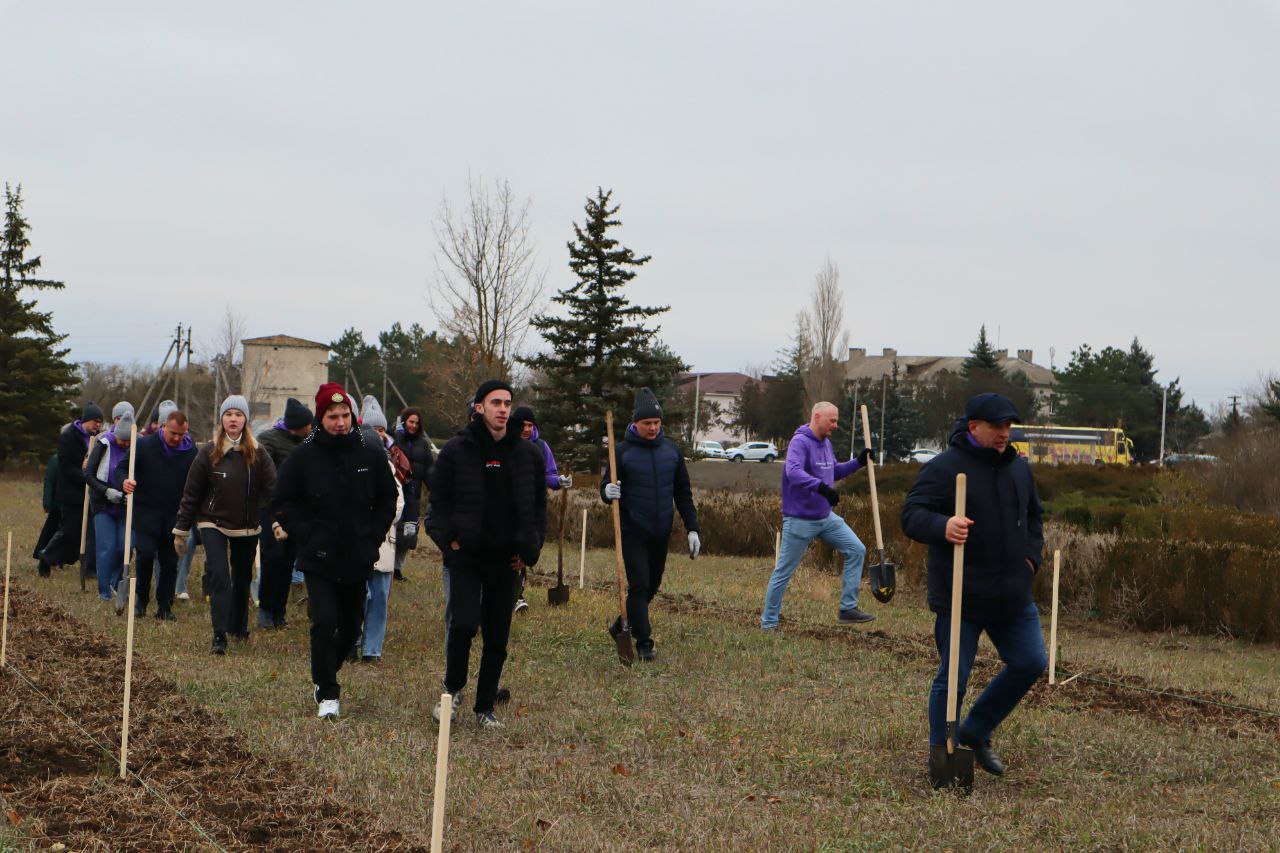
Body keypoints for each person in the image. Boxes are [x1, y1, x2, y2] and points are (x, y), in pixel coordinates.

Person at [901, 392, 1047, 778]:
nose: (1004, 433)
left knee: (1032, 662)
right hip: (960, 594)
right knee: (953, 678)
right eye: (997, 426)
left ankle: (977, 729)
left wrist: (1032, 559)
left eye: (1008, 426)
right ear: (973, 427)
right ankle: (943, 756)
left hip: (1012, 593)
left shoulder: (1019, 468)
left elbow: (1035, 518)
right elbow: (911, 514)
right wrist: (942, 525)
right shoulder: (946, 468)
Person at [271, 383, 397, 719]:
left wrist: (373, 535)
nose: (340, 422)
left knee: (352, 628)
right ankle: (327, 691)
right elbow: (282, 501)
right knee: (324, 622)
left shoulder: (370, 452)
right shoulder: (303, 456)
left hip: (358, 554)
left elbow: (387, 499)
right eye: (332, 416)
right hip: (318, 556)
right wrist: (307, 534)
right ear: (320, 418)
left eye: (345, 415)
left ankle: (327, 667)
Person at [426, 380, 546, 729]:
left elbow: (538, 508)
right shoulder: (456, 450)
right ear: (479, 407)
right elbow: (438, 504)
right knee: (463, 624)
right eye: (495, 402)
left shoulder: (527, 455)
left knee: (497, 635)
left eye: (507, 402)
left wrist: (530, 549)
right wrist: (451, 541)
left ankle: (484, 707)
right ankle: (451, 693)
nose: (503, 409)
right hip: (466, 558)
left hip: (506, 560)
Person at [599, 388, 700, 662]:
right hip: (633, 529)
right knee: (640, 585)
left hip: (660, 530)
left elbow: (683, 492)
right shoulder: (622, 452)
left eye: (657, 423)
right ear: (636, 423)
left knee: (652, 585)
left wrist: (692, 528)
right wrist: (608, 492)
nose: (653, 428)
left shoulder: (672, 452)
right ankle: (644, 642)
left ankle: (620, 625)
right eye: (648, 423)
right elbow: (605, 486)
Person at [174, 396, 277, 654]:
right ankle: (219, 635)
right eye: (228, 414)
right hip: (212, 522)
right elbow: (192, 493)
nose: (233, 419)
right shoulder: (208, 453)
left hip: (247, 525)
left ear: (245, 420)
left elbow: (274, 491)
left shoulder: (259, 453)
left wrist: (279, 520)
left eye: (238, 414)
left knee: (242, 578)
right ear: (222, 419)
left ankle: (238, 626)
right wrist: (181, 529)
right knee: (219, 576)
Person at [760, 402, 876, 630]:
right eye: (832, 420)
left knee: (856, 549)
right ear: (817, 417)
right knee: (784, 571)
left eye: (836, 420)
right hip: (799, 520)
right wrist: (822, 488)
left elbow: (834, 471)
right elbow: (793, 472)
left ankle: (847, 608)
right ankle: (769, 624)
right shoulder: (800, 442)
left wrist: (859, 462)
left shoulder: (826, 444)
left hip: (826, 518)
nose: (836, 425)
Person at [123, 409, 196, 619]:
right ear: (163, 426)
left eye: (181, 434)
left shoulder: (191, 453)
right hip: (146, 513)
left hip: (175, 515)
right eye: (173, 433)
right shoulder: (144, 445)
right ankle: (141, 602)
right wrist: (125, 481)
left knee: (169, 562)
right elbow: (122, 468)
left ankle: (164, 606)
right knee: (145, 555)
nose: (177, 438)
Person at [254, 397, 313, 629]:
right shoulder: (268, 440)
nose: (312, 427)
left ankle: (279, 613)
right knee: (273, 559)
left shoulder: (307, 442)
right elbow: (265, 474)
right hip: (269, 509)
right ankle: (266, 612)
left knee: (288, 561)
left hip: (296, 512)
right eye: (308, 424)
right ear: (297, 425)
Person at [355, 396, 406, 663]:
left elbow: (398, 502)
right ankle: (353, 639)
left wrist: (380, 521)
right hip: (355, 543)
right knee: (357, 596)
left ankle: (372, 648)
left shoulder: (390, 468)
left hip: (384, 542)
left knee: (379, 598)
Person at [507, 406, 570, 613]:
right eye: (523, 425)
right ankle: (514, 595)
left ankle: (517, 592)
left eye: (530, 425)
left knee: (525, 547)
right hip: (508, 503)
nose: (526, 429)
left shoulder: (542, 447)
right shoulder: (506, 444)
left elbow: (550, 474)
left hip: (532, 505)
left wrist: (560, 481)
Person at [48, 402, 104, 576]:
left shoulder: (96, 439)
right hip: (70, 493)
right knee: (70, 530)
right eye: (95, 421)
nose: (98, 425)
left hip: (88, 492)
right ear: (85, 420)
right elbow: (65, 466)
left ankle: (89, 567)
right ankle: (48, 555)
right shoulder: (68, 436)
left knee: (89, 530)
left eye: (100, 422)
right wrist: (86, 476)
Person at [85, 410, 136, 602]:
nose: (125, 444)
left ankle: (116, 582)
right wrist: (106, 491)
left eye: (128, 441)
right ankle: (104, 591)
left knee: (125, 546)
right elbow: (89, 474)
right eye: (122, 440)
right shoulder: (104, 444)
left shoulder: (137, 447)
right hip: (103, 504)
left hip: (126, 505)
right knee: (107, 547)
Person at [392, 407, 433, 581]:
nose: (414, 426)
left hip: (414, 495)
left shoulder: (423, 444)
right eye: (411, 421)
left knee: (408, 536)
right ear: (404, 421)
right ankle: (387, 566)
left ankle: (397, 569)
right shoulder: (394, 439)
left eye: (417, 423)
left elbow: (429, 469)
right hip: (395, 493)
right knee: (392, 531)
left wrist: (434, 488)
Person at [33, 452, 61, 577]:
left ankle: (58, 559)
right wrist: (47, 503)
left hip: (71, 503)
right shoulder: (56, 459)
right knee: (52, 531)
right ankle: (45, 555)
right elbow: (49, 481)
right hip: (57, 504)